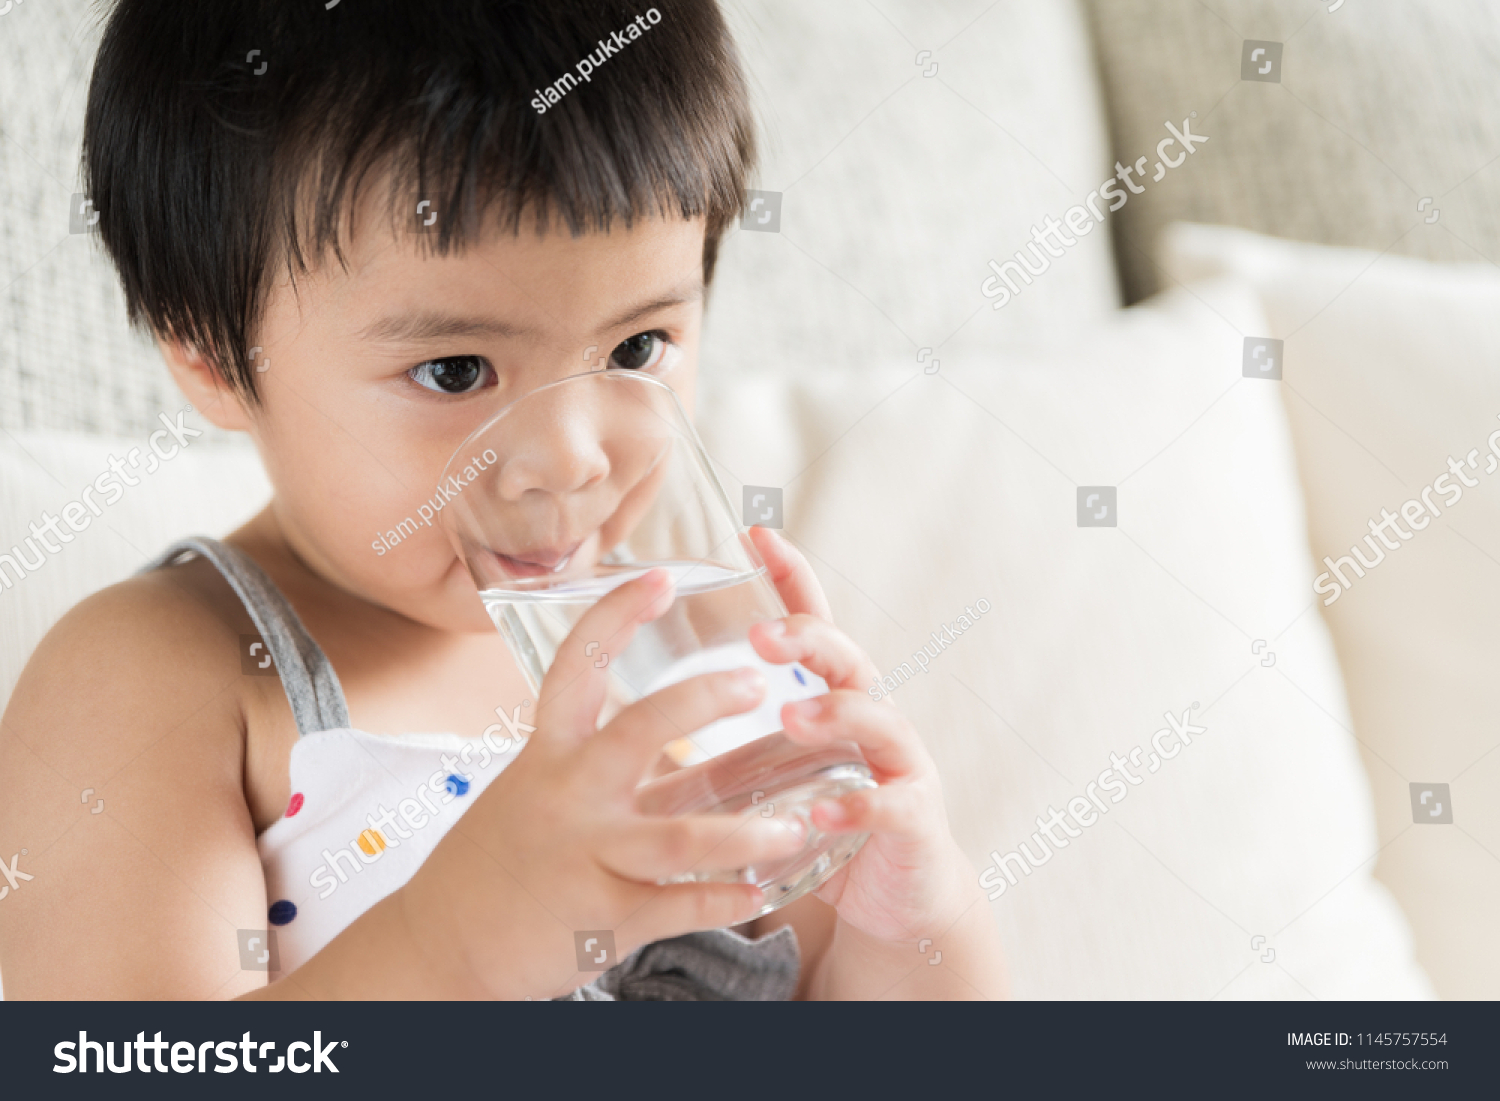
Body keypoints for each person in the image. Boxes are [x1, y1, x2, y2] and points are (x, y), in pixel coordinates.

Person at [0, 0, 1006, 1000]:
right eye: (454, 372)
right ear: (215, 356)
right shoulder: (159, 679)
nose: (569, 461)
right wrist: (462, 942)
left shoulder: (671, 659)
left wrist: (913, 923)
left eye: (635, 349)